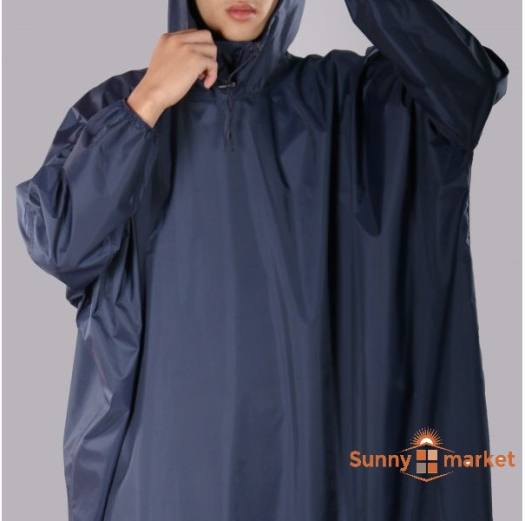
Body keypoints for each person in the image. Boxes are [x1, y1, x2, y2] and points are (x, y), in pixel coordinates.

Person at [15, 0, 509, 520]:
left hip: (308, 480)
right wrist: (147, 104)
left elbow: (465, 92)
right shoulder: (121, 106)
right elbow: (59, 239)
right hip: (159, 484)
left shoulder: (347, 104)